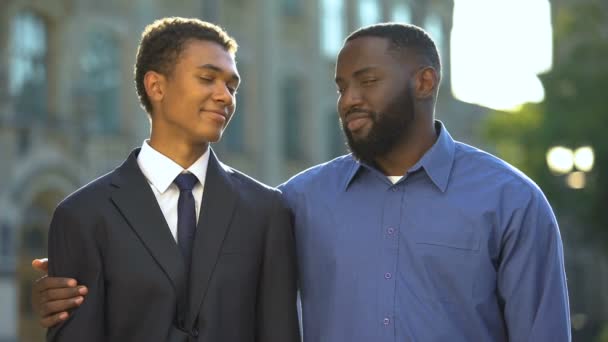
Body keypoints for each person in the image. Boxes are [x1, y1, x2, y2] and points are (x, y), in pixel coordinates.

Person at [33, 23, 570, 341]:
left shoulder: (512, 202)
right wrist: (62, 292)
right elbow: (191, 274)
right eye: (341, 86)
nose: (348, 99)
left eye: (367, 81)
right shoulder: (295, 201)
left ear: (425, 82)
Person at [39, 17, 299, 342]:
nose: (225, 96)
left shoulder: (266, 210)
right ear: (156, 86)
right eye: (207, 78)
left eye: (231, 86)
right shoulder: (83, 216)